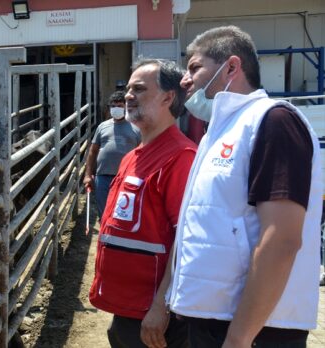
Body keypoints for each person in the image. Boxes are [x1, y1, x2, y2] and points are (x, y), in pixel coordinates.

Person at [167, 26, 322, 348]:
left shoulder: (273, 121)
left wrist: (239, 338)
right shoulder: (219, 132)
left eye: (195, 68)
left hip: (254, 332)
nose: (185, 80)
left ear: (232, 68)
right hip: (215, 321)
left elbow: (281, 239)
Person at [89, 59, 196, 348]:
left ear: (168, 97)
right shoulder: (133, 156)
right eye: (128, 90)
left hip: (155, 314)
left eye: (139, 89)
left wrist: (161, 306)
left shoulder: (180, 158)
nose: (128, 96)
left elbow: (186, 240)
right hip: (128, 308)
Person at [84, 90, 141, 217]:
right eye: (113, 106)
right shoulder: (102, 127)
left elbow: (143, 154)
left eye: (119, 106)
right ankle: (104, 235)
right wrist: (88, 174)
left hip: (126, 177)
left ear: (126, 107)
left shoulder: (136, 128)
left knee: (123, 213)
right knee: (104, 212)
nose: (116, 109)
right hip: (103, 177)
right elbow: (93, 152)